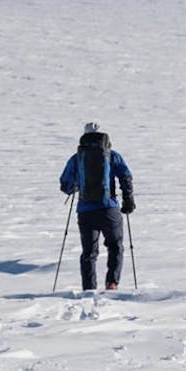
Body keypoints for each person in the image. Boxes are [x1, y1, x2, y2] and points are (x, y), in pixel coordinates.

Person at [60, 122, 135, 291]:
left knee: (89, 253)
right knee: (115, 246)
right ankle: (112, 283)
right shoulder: (112, 155)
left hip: (85, 211)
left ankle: (89, 289)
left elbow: (65, 185)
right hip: (109, 209)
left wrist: (77, 186)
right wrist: (128, 200)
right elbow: (126, 176)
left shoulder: (77, 158)